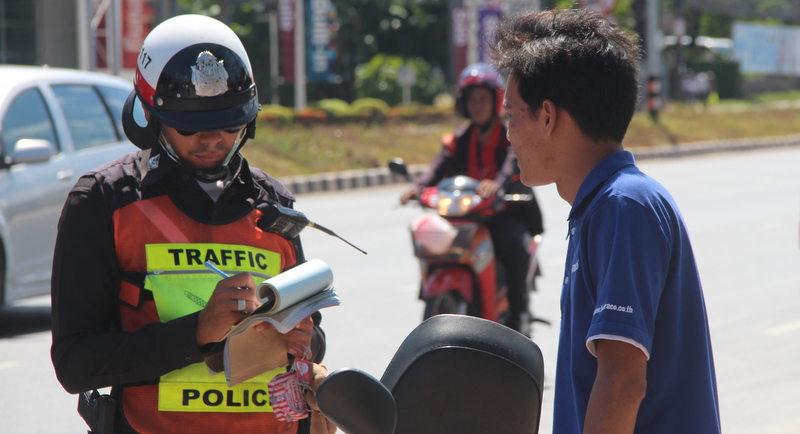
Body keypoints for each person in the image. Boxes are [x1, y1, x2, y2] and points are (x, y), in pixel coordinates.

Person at [50, 15, 329, 434]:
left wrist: (304, 338)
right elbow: (75, 363)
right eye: (191, 127)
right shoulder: (103, 203)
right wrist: (196, 334)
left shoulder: (274, 204)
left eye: (229, 125)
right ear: (151, 117)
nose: (212, 140)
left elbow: (314, 340)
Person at [493, 8, 720, 433]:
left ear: (547, 116)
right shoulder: (601, 206)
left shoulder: (624, 206)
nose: (507, 134)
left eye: (512, 115)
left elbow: (622, 382)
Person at [399, 63, 544, 333]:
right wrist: (417, 187)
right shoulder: (458, 140)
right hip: (466, 216)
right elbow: (436, 169)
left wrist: (497, 184)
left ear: (495, 102)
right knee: (434, 241)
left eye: (482, 99)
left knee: (512, 243)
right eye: (471, 100)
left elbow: (510, 166)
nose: (477, 106)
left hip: (504, 212)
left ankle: (517, 315)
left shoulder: (509, 136)